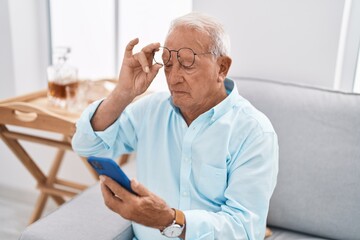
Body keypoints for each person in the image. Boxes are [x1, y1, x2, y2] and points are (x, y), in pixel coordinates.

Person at [72, 11, 278, 240]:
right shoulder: (151, 110)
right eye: (168, 63)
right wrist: (123, 93)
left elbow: (244, 230)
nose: (173, 78)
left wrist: (170, 220)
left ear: (222, 68)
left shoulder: (254, 132)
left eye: (187, 62)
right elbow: (86, 145)